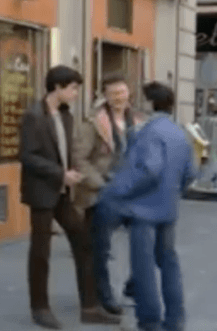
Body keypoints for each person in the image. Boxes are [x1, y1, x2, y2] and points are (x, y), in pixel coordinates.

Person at [19, 65, 119, 329]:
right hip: (42, 192)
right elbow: (28, 156)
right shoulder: (33, 115)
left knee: (83, 243)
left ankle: (90, 307)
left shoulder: (66, 116)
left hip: (63, 193)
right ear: (58, 87)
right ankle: (40, 307)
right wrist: (59, 174)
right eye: (73, 88)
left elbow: (68, 151)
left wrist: (75, 173)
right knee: (40, 252)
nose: (76, 93)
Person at [95, 81, 196, 331]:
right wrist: (174, 192)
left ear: (151, 103)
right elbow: (191, 171)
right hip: (168, 208)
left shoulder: (149, 132)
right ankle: (175, 319)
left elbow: (150, 170)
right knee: (169, 263)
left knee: (144, 268)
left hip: (143, 210)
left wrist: (120, 190)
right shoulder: (178, 131)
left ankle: (149, 320)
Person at [72, 72, 144, 315]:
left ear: (129, 93)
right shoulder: (92, 122)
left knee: (145, 241)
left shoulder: (139, 120)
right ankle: (105, 297)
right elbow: (80, 159)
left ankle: (133, 289)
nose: (118, 98)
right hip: (103, 193)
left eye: (122, 93)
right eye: (113, 94)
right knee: (100, 250)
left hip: (133, 193)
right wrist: (101, 185)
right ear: (104, 96)